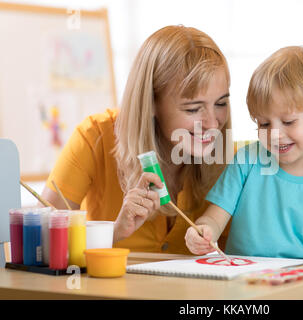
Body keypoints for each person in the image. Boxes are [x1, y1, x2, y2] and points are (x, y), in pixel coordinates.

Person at [40, 25, 232, 253]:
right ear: (150, 103)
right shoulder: (95, 137)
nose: (212, 124)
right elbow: (42, 241)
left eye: (221, 103)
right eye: (193, 109)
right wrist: (114, 232)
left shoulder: (232, 163)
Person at [185, 46, 303, 265]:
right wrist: (204, 230)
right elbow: (214, 218)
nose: (275, 135)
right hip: (241, 283)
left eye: (288, 122)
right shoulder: (247, 161)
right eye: (264, 123)